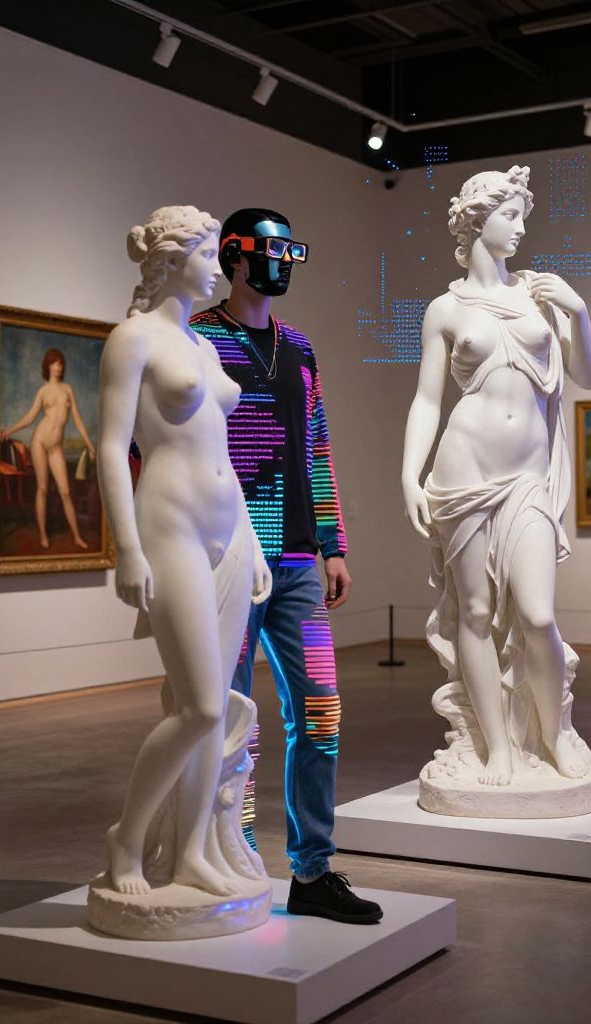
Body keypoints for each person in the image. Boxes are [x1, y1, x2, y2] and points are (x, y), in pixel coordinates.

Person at [190, 208, 381, 924]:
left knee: (322, 711)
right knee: (232, 718)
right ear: (235, 256)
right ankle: (235, 857)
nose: (283, 263)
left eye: (291, 251)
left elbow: (317, 447)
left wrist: (333, 544)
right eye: (273, 250)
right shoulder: (199, 339)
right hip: (230, 556)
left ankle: (313, 870)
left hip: (299, 560)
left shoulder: (299, 348)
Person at [401, 166, 591, 797]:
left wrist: (579, 311)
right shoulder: (445, 308)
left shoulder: (540, 296)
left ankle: (554, 733)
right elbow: (427, 400)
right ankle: (497, 746)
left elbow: (588, 375)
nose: (519, 228)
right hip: (461, 471)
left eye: (521, 216)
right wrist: (409, 475)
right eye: (510, 215)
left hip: (527, 478)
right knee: (476, 612)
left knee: (538, 615)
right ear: (476, 220)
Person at [98, 205, 271, 897]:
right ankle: (127, 838)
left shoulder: (203, 345)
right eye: (207, 255)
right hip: (169, 528)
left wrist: (252, 539)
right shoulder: (132, 338)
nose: (220, 268)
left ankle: (192, 852)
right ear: (172, 261)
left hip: (228, 531)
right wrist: (126, 548)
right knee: (197, 705)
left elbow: (221, 450)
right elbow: (111, 447)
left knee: (217, 708)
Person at [1, 348, 96, 549]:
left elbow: (78, 420)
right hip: (39, 441)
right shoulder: (43, 391)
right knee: (42, 489)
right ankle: (43, 535)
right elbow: (30, 417)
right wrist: (10, 430)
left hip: (56, 447)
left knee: (66, 492)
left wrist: (90, 445)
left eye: (60, 363)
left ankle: (77, 536)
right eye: (54, 363)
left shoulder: (68, 389)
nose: (58, 367)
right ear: (48, 366)